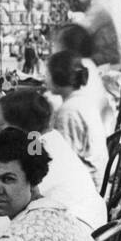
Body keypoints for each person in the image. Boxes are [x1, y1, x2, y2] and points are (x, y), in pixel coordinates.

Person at [0, 88, 107, 231]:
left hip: (75, 233)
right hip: (88, 223)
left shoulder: (39, 152)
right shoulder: (47, 138)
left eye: (0, 125)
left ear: (20, 126)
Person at [47, 51, 108, 184]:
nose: (45, 79)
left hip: (85, 185)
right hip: (94, 176)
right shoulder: (82, 100)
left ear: (58, 77)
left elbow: (64, 160)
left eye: (47, 74)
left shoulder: (68, 111)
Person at [71, 0, 121, 67]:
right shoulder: (94, 6)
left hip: (108, 59)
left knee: (72, 63)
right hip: (102, 56)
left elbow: (81, 31)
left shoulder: (98, 8)